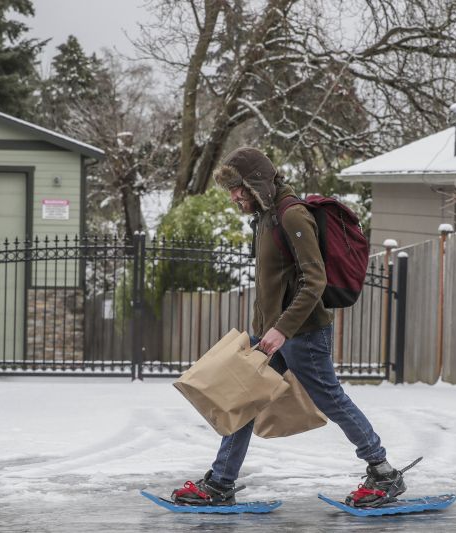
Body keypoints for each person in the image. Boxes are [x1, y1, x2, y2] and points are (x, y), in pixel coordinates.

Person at [170, 147, 407, 509]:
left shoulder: (292, 215)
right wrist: (267, 330)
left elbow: (315, 280)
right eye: (231, 189)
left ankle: (383, 472)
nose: (234, 196)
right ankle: (220, 482)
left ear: (257, 184)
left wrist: (282, 329)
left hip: (303, 334)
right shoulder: (266, 217)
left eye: (239, 188)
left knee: (332, 400)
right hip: (272, 336)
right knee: (243, 399)